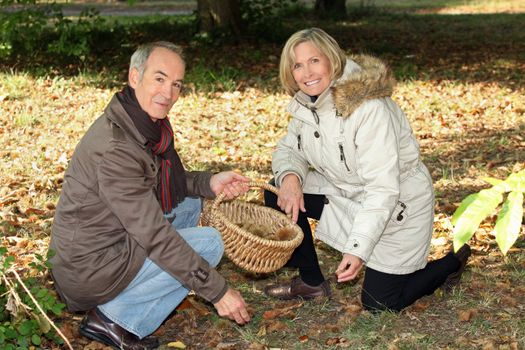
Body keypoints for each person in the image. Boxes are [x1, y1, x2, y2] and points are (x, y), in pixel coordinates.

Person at [49, 41, 251, 350]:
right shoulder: (118, 147)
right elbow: (155, 236)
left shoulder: (137, 123)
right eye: (159, 79)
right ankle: (113, 318)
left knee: (190, 203)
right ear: (134, 77)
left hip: (109, 242)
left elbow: (161, 181)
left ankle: (131, 294)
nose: (168, 94)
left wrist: (209, 183)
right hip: (90, 267)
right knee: (209, 243)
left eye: (176, 84)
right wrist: (217, 290)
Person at [263, 28, 471, 312]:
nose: (306, 72)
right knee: (276, 191)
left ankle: (449, 264)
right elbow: (289, 149)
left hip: (398, 206)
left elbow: (382, 189)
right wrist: (290, 178)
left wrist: (357, 249)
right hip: (347, 193)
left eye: (314, 60)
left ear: (332, 60)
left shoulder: (368, 108)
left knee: (379, 303)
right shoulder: (308, 103)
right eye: (297, 65)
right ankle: (311, 282)